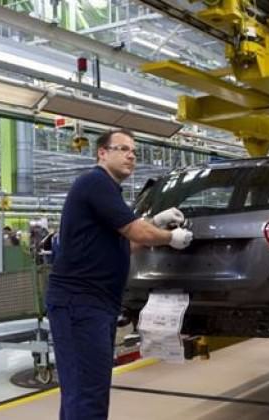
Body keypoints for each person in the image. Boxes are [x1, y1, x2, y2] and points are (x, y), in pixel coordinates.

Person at [46, 129, 193, 420]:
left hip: (94, 304)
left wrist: (155, 223)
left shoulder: (108, 191)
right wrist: (170, 237)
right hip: (80, 303)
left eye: (134, 151)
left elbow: (126, 245)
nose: (131, 156)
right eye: (123, 149)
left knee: (85, 390)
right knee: (88, 393)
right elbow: (136, 232)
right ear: (102, 153)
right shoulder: (95, 182)